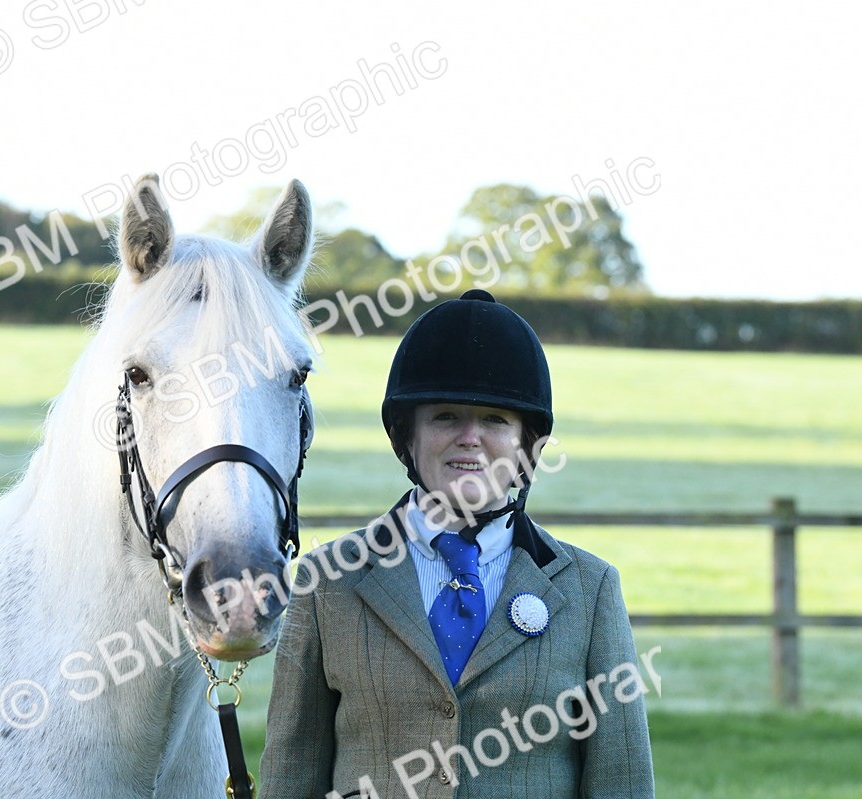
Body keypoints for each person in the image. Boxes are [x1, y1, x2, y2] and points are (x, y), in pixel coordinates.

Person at [259, 289, 655, 798]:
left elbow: (622, 781)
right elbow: (290, 774)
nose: (470, 437)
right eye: (446, 416)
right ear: (407, 436)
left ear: (526, 444)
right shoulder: (327, 581)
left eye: (495, 419)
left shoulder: (590, 589)